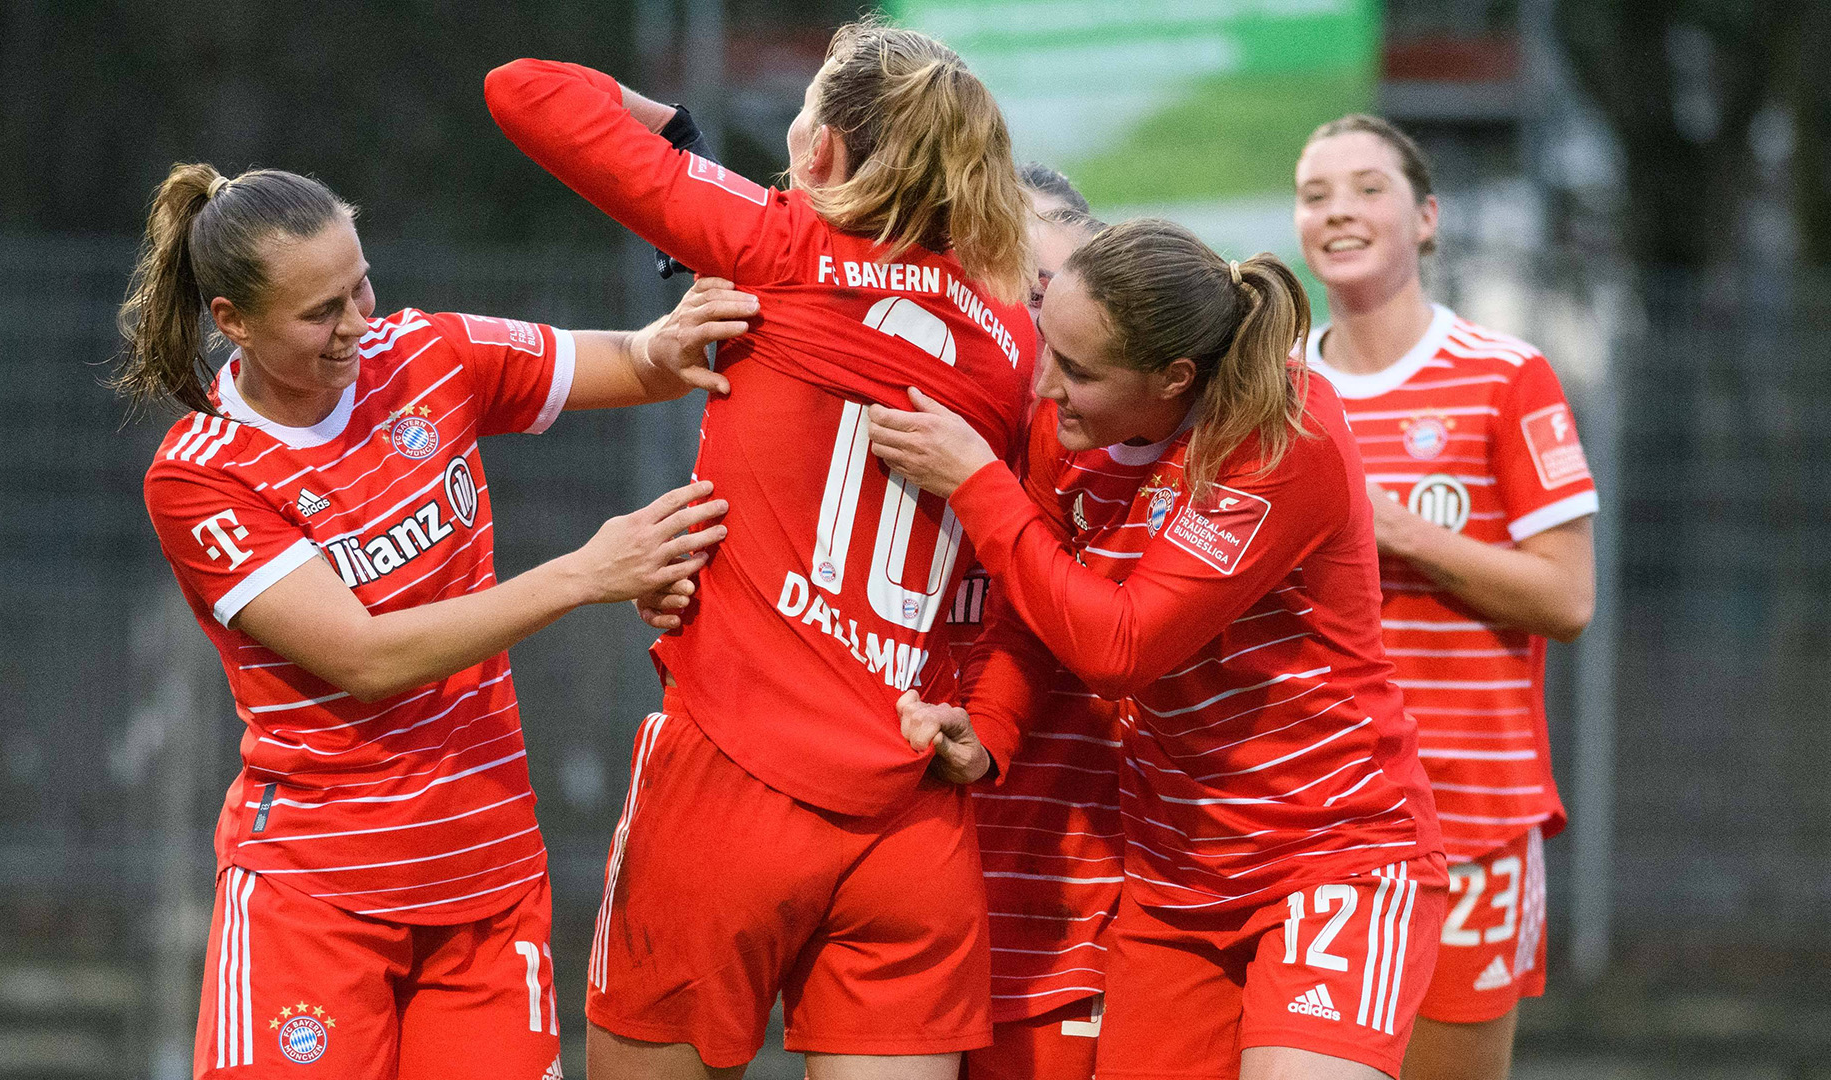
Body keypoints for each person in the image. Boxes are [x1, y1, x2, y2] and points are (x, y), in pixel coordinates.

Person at [483, 15, 1035, 1080]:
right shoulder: (1014, 338)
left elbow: (525, 88)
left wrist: (675, 129)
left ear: (822, 148)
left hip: (733, 783)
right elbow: (1028, 571)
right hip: (914, 811)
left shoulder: (778, 239)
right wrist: (997, 723)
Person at [119, 162, 748, 1079]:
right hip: (317, 894)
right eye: (319, 311)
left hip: (486, 884)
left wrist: (674, 341)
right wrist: (582, 575)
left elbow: (631, 364)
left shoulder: (425, 353)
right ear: (232, 322)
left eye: (360, 284)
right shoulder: (204, 474)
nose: (357, 324)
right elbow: (365, 659)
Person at [867, 219, 1448, 1080]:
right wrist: (987, 732)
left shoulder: (1282, 431)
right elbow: (1034, 609)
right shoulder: (1060, 434)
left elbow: (1121, 646)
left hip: (1333, 853)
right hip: (1175, 876)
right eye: (1047, 348)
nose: (1045, 385)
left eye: (1079, 371)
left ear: (1174, 377)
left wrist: (978, 486)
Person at [1293, 114, 1597, 1080]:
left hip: (1471, 816)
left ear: (1426, 218)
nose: (1340, 209)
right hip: (1316, 820)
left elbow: (1568, 596)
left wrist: (1397, 528)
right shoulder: (1277, 390)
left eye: (1367, 187)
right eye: (1316, 193)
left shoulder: (1506, 376)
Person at [951, 164, 1117, 1080]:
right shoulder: (902, 436)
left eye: (1042, 295)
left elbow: (1108, 642)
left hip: (1066, 904)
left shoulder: (1123, 472)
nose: (1019, 330)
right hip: (912, 900)